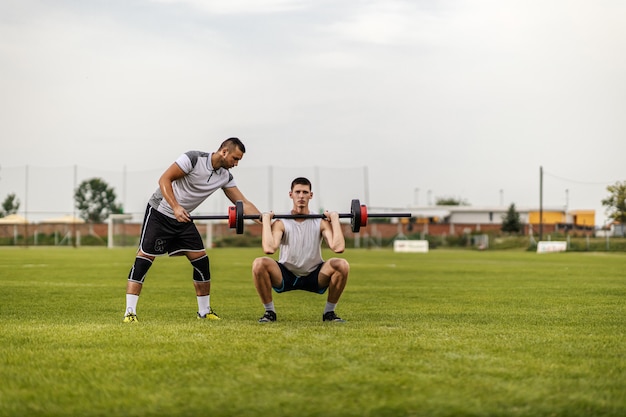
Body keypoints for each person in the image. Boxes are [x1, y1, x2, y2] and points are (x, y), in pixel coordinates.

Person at [123, 137, 261, 323]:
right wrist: (176, 207)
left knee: (202, 262)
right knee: (144, 260)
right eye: (235, 159)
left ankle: (204, 312)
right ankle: (130, 312)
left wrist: (264, 219)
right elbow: (164, 179)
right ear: (224, 152)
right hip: (160, 212)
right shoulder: (193, 159)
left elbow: (243, 203)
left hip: (183, 218)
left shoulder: (224, 176)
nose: (236, 164)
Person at [251, 177, 350, 323]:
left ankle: (329, 313)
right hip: (286, 274)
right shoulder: (281, 222)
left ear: (311, 195)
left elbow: (338, 247)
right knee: (259, 263)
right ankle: (269, 312)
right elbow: (269, 249)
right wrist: (266, 221)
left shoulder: (320, 221)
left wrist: (335, 220)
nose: (301, 196)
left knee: (342, 265)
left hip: (315, 275)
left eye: (305, 192)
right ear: (291, 194)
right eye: (298, 192)